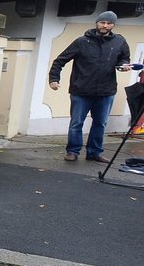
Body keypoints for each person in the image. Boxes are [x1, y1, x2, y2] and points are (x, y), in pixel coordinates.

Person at [48, 11, 131, 162]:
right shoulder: (81, 42)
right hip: (81, 91)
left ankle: (95, 153)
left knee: (100, 123)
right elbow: (59, 61)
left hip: (106, 91)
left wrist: (124, 66)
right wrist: (54, 79)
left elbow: (124, 59)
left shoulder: (119, 41)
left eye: (108, 23)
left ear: (113, 25)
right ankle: (72, 151)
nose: (105, 26)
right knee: (76, 123)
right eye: (102, 22)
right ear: (97, 23)